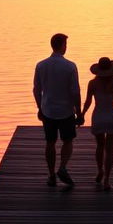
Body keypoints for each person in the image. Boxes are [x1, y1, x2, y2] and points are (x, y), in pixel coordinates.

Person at [33, 32, 82, 187]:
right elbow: (75, 91)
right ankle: (62, 167)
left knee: (50, 142)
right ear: (62, 46)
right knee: (68, 141)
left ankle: (51, 175)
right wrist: (79, 111)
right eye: (65, 45)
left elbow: (36, 89)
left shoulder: (41, 65)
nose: (66, 47)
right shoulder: (70, 66)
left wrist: (39, 107)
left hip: (48, 110)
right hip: (66, 110)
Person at [81, 56, 113, 191]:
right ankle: (107, 180)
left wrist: (82, 114)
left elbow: (88, 101)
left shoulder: (92, 84)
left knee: (100, 146)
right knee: (110, 150)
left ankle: (100, 171)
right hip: (111, 117)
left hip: (98, 117)